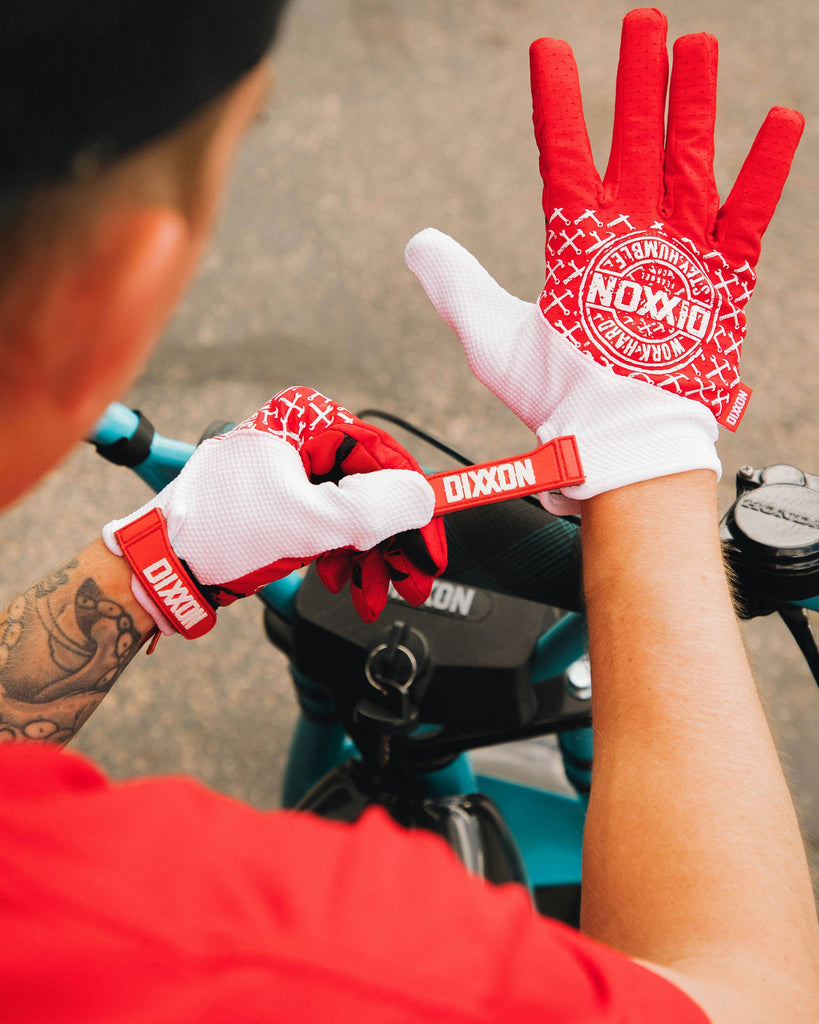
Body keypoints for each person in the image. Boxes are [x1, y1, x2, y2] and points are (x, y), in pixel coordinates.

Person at [0, 2, 816, 1021]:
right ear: (123, 273)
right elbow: (751, 994)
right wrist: (648, 446)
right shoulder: (244, 954)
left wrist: (149, 562)